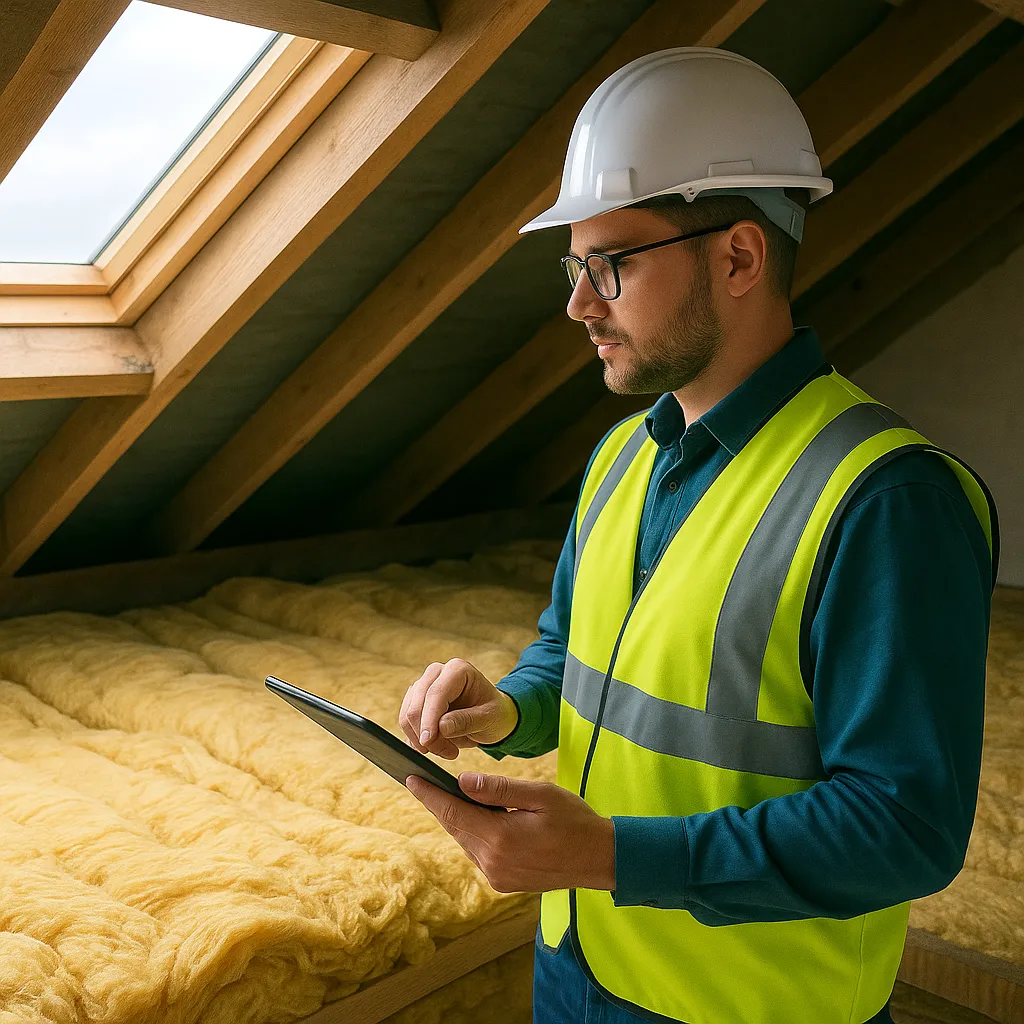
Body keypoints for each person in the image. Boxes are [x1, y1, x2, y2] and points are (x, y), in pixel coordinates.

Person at [399, 47, 998, 1024]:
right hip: (579, 968)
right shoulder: (620, 458)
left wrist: (605, 854)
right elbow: (574, 653)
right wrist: (507, 708)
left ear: (738, 256)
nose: (576, 303)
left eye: (612, 264)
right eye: (574, 264)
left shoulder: (886, 499)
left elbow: (903, 828)